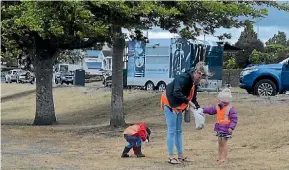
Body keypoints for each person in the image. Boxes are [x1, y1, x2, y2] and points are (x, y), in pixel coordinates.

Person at [160, 61, 210, 164]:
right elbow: (176, 92)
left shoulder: (194, 83)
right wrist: (188, 102)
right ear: (196, 72)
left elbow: (194, 99)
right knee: (172, 130)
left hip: (179, 106)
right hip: (170, 103)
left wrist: (199, 109)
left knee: (179, 131)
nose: (199, 81)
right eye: (200, 78)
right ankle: (171, 156)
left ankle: (180, 155)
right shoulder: (183, 78)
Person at [202, 88, 238, 163]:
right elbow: (211, 110)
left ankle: (224, 158)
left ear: (224, 100)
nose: (218, 101)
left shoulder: (231, 108)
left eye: (219, 100)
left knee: (224, 143)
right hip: (219, 128)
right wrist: (203, 109)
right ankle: (219, 156)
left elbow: (234, 119)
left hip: (226, 129)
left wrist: (231, 127)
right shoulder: (218, 107)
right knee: (219, 142)